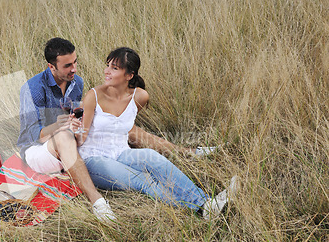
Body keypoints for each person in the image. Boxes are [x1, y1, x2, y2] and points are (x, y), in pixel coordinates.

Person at [76, 47, 238, 219]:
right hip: (94, 160)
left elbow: (125, 125)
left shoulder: (139, 97)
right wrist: (72, 129)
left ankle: (205, 204)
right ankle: (201, 207)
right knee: (143, 180)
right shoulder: (94, 95)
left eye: (114, 68)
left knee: (154, 158)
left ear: (129, 75)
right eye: (107, 65)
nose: (106, 71)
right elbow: (81, 138)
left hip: (122, 152)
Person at [17, 38, 116, 221]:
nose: (74, 69)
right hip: (36, 150)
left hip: (67, 142)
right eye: (67, 65)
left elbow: (75, 116)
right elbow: (33, 136)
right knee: (63, 136)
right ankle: (98, 203)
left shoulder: (77, 82)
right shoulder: (32, 89)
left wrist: (77, 125)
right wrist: (60, 126)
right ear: (51, 66)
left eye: (75, 62)